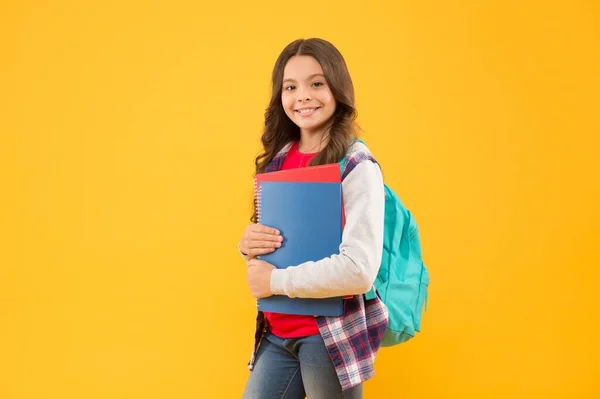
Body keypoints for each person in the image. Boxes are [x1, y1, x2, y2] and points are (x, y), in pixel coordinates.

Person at [239, 38, 388, 399]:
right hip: (276, 332)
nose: (303, 96)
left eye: (317, 83)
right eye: (291, 87)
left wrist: (276, 279)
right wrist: (248, 247)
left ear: (338, 88)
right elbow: (277, 245)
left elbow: (359, 269)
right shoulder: (278, 160)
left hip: (329, 337)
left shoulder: (355, 165)